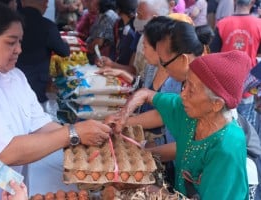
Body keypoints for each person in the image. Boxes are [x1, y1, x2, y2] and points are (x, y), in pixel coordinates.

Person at [0, 3, 111, 199]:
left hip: (14, 192)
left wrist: (86, 136)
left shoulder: (15, 77)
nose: (19, 50)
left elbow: (40, 124)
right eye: (11, 42)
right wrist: (73, 133)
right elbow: (6, 152)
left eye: (20, 42)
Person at [106, 50, 250, 199]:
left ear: (216, 104)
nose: (183, 94)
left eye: (191, 90)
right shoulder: (191, 113)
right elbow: (145, 94)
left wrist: (157, 193)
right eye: (185, 85)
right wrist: (122, 116)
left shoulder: (227, 147)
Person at [210, 0, 261, 129]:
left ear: (235, 2)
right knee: (246, 128)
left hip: (224, 85)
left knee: (225, 125)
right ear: (252, 3)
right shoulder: (259, 24)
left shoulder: (222, 24)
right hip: (248, 84)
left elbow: (213, 53)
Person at [16, 0, 70, 104]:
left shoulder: (9, 23)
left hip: (9, 77)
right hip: (36, 82)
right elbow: (63, 51)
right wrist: (65, 44)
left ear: (22, 2)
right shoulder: (47, 26)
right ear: (45, 4)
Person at [86, 0, 118, 64]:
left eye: (91, 1)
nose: (88, 3)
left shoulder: (108, 15)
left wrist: (85, 50)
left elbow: (98, 43)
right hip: (95, 53)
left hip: (101, 58)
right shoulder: (101, 14)